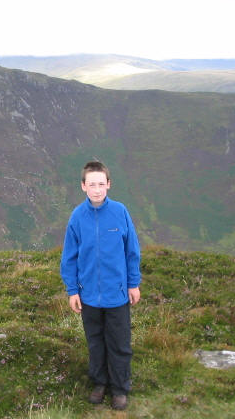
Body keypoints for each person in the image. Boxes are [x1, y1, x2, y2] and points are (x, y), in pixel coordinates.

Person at [60, 160, 141, 411]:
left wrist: (133, 283)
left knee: (119, 343)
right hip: (89, 296)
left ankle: (119, 388)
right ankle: (99, 383)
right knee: (95, 342)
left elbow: (131, 251)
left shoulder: (120, 212)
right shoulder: (77, 216)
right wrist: (73, 290)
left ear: (109, 184)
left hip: (116, 294)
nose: (97, 189)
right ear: (83, 186)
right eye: (91, 184)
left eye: (101, 184)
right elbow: (69, 256)